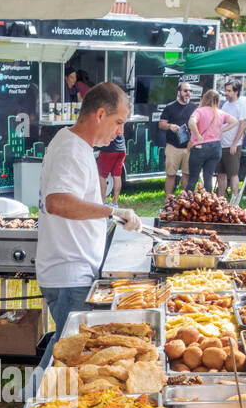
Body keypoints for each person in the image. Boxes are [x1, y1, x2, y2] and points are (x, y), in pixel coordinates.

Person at [34, 82, 140, 380]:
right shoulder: (71, 149)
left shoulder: (75, 144)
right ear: (100, 114)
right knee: (67, 355)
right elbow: (57, 201)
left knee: (65, 350)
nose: (120, 132)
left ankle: (38, 401)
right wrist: (111, 211)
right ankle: (34, 405)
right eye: (118, 122)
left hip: (73, 269)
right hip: (69, 272)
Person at [187, 89, 240, 194]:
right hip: (215, 147)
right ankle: (208, 204)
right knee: (208, 177)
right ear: (217, 100)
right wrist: (221, 130)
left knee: (193, 177)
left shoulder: (199, 111)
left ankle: (186, 204)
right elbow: (235, 121)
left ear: (205, 98)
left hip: (200, 147)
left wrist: (197, 134)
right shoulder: (220, 112)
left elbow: (191, 122)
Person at [158, 81, 196, 198]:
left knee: (187, 175)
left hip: (189, 147)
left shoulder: (194, 108)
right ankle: (168, 201)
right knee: (171, 175)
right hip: (173, 147)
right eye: (185, 91)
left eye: (190, 91)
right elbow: (161, 124)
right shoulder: (170, 107)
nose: (188, 93)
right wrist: (170, 126)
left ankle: (186, 202)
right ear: (179, 92)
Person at [218, 78, 246, 203]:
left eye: (228, 91)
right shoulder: (225, 105)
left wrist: (234, 143)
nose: (226, 93)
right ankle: (221, 198)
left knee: (233, 173)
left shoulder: (241, 104)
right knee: (221, 172)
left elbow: (243, 125)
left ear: (236, 92)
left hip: (233, 145)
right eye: (225, 90)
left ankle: (234, 199)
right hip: (221, 144)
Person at [96, 119, 127, 206]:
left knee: (102, 176)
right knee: (117, 176)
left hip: (108, 150)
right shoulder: (120, 117)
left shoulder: (110, 118)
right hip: (122, 149)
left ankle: (103, 201)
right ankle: (115, 202)